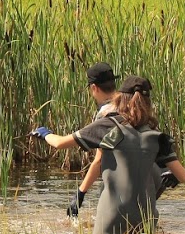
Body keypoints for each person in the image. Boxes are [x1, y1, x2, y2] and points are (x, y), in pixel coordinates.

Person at [33, 76, 185, 234]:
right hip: (145, 214)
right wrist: (172, 176)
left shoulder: (109, 126)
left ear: (119, 98)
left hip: (112, 211)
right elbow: (183, 175)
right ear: (147, 102)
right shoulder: (157, 136)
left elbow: (59, 143)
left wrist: (45, 134)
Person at [67, 62, 175, 216]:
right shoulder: (132, 104)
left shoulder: (106, 114)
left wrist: (80, 193)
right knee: (143, 217)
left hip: (133, 177)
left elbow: (99, 160)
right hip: (159, 174)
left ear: (93, 88)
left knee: (112, 211)